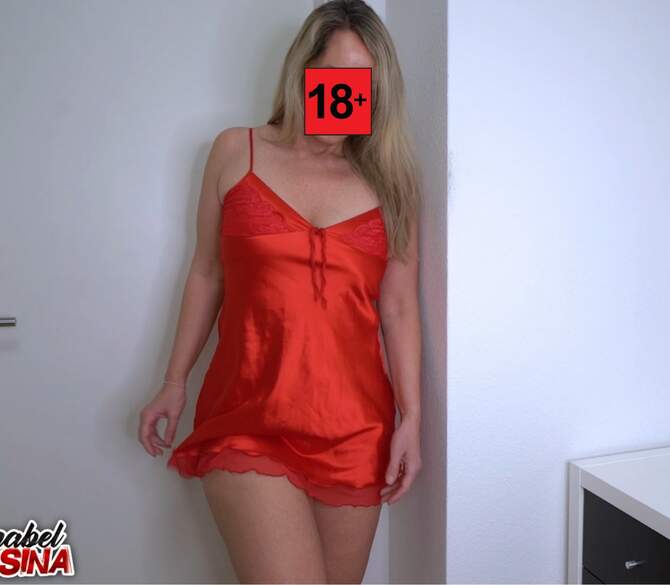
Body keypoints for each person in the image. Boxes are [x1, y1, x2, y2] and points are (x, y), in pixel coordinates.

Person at [136, 1, 422, 582]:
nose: (344, 93)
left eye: (361, 82)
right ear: (302, 71)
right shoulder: (235, 151)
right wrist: (173, 381)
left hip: (356, 427)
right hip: (249, 417)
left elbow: (397, 307)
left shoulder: (390, 185)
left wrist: (412, 417)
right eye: (333, 75)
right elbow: (207, 272)